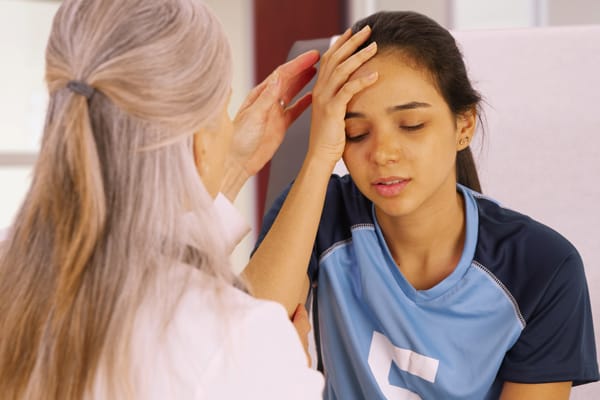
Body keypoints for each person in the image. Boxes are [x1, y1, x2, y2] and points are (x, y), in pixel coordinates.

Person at [246, 11, 599, 399]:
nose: (383, 153)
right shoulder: (320, 214)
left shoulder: (542, 266)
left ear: (463, 125)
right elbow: (245, 345)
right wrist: (319, 156)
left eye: (411, 125)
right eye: (356, 132)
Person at [0, 0, 324, 399]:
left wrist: (233, 166)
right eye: (222, 108)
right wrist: (287, 369)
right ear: (199, 143)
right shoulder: (241, 342)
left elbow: (140, 256)